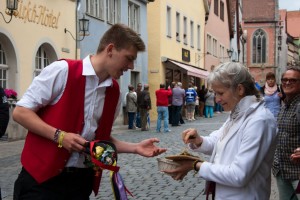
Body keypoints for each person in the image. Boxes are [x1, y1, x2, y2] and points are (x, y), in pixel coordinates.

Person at [13, 24, 167, 200]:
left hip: (81, 183)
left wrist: (136, 148)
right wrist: (60, 136)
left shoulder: (114, 91)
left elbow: (101, 139)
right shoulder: (63, 70)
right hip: (41, 182)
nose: (131, 66)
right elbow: (20, 112)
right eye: (129, 58)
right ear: (110, 49)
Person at [164, 62, 277, 199]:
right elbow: (219, 140)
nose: (217, 99)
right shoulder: (238, 112)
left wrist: (195, 165)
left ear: (240, 89)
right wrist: (199, 140)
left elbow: (238, 174)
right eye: (215, 93)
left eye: (220, 93)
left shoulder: (259, 120)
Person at [272, 65, 300, 200]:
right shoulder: (284, 106)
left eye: (293, 80)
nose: (287, 83)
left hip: (298, 173)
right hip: (281, 170)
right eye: (284, 80)